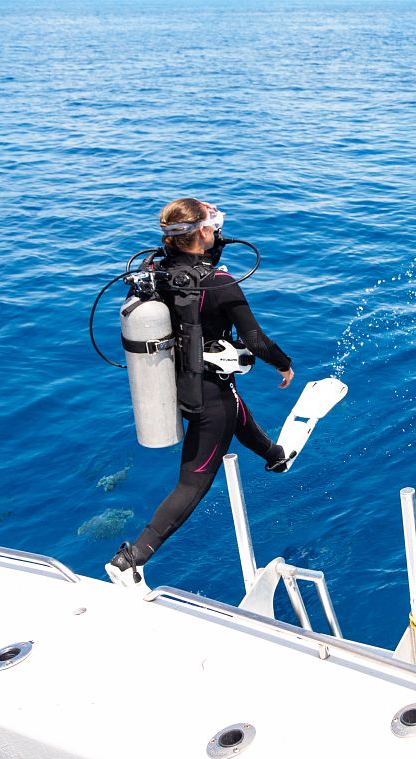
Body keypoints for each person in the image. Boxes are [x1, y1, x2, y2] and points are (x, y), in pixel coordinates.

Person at [107, 199, 295, 583]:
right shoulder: (221, 284)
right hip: (210, 395)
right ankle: (132, 559)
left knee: (235, 410)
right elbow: (255, 339)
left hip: (178, 383)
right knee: (193, 483)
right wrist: (283, 363)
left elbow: (190, 281)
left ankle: (275, 456)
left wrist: (208, 244)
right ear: (205, 232)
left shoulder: (157, 274)